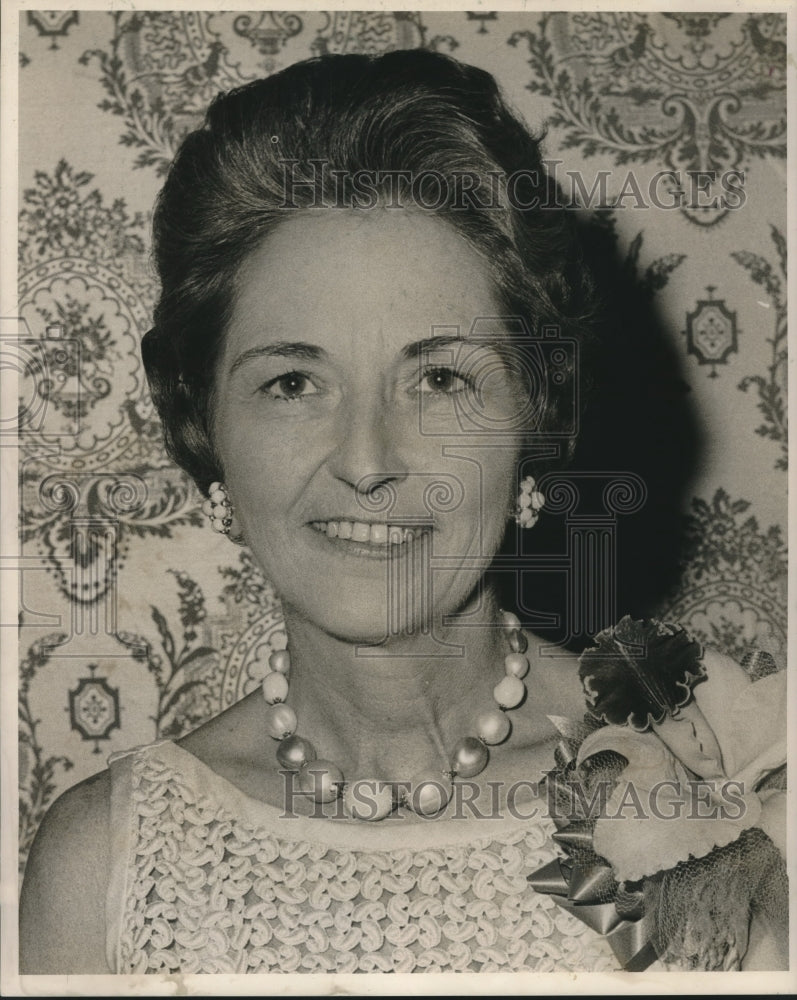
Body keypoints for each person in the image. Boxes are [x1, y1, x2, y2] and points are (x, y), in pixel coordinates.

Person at [19, 49, 787, 976]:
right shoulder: (108, 861)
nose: (368, 460)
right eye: (293, 381)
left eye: (438, 379)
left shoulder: (717, 791)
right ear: (205, 424)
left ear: (534, 423)